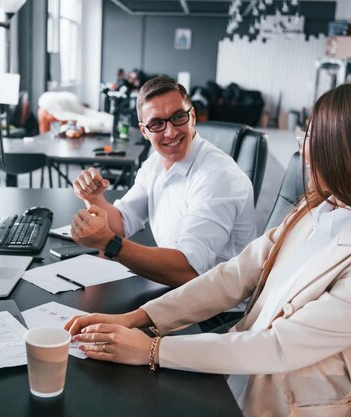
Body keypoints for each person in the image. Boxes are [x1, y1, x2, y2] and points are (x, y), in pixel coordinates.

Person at [66, 80, 351, 417]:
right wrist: (137, 319)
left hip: (285, 404)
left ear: (349, 150)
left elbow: (279, 347)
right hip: (237, 373)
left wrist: (150, 349)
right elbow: (233, 276)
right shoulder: (316, 209)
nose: (303, 149)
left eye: (311, 136)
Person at [70, 75, 256, 288]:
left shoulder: (219, 176)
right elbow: (120, 224)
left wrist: (110, 244)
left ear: (192, 116)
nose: (171, 132)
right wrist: (93, 197)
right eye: (157, 124)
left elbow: (188, 270)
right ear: (144, 131)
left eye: (178, 117)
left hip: (218, 309)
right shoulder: (155, 163)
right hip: (177, 291)